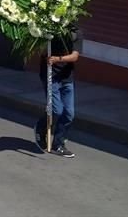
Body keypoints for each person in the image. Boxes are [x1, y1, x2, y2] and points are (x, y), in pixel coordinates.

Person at [34, 26, 82, 158]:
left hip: (67, 77)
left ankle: (58, 143)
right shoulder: (49, 30)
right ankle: (41, 128)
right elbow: (39, 49)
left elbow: (75, 56)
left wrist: (57, 59)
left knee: (69, 113)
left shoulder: (76, 33)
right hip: (50, 76)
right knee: (56, 110)